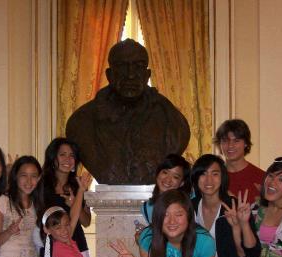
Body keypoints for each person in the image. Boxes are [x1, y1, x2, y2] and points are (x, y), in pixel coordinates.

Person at [66, 38, 190, 185]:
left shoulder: (173, 122)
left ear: (147, 75)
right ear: (109, 75)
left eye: (138, 66)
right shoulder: (81, 123)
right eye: (122, 66)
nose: (130, 75)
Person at [213, 119, 265, 204]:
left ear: (246, 143)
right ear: (219, 144)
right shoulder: (214, 177)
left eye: (236, 141)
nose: (230, 145)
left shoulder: (261, 178)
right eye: (225, 140)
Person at [141, 154, 192, 224]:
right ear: (158, 173)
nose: (168, 180)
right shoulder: (147, 207)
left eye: (175, 177)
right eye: (165, 172)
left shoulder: (190, 202)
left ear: (182, 183)